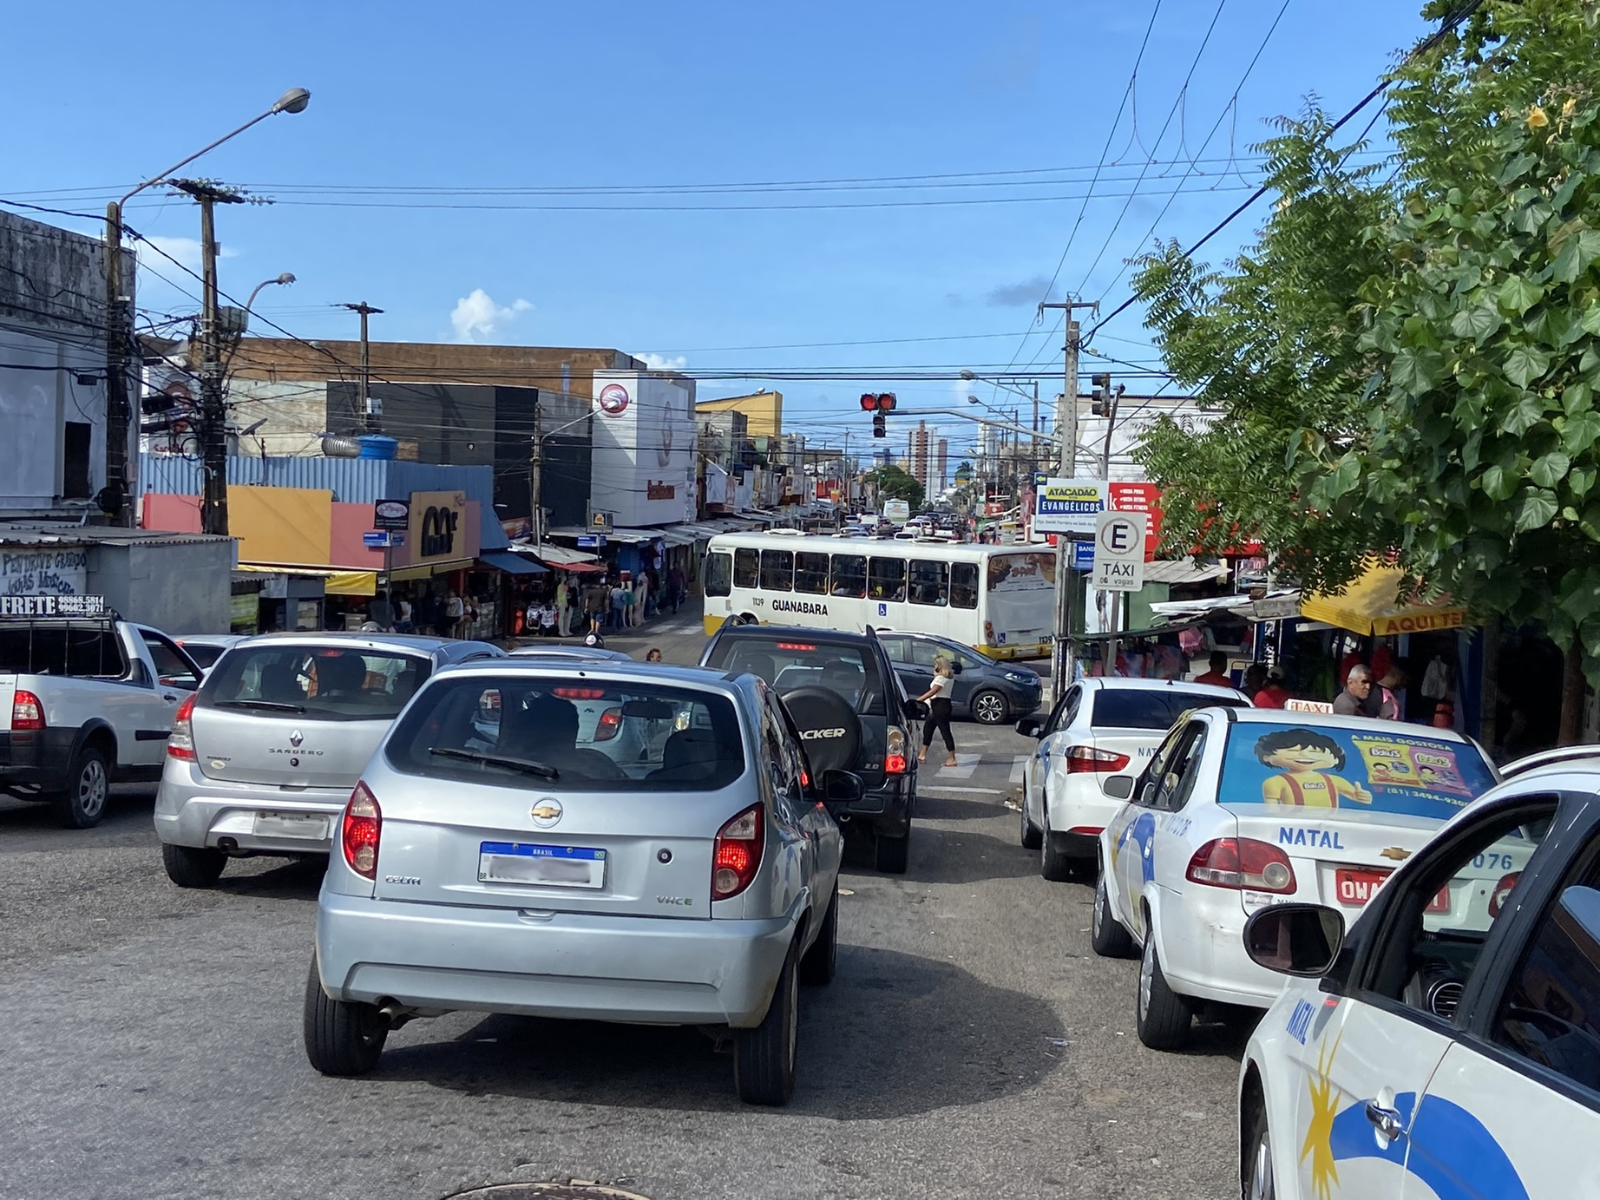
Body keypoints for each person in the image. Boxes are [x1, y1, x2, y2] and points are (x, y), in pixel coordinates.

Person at [915, 656, 959, 769]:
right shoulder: (948, 677)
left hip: (940, 705)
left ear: (940, 666)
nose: (934, 667)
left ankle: (952, 758)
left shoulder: (941, 679)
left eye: (935, 665)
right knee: (928, 728)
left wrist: (918, 700)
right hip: (940, 705)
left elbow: (933, 691)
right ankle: (922, 753)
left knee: (945, 731)